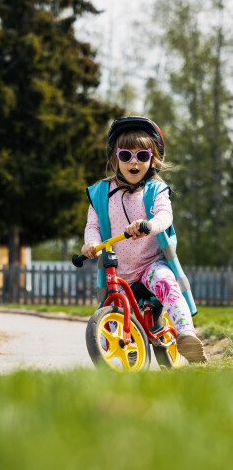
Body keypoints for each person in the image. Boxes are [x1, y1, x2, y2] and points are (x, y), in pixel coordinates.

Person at [82, 116, 207, 363]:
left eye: (142, 155)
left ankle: (186, 335)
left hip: (150, 264)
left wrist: (148, 226)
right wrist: (91, 244)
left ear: (153, 160)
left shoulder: (156, 190)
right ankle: (127, 355)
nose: (134, 162)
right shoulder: (100, 194)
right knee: (109, 320)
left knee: (167, 284)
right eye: (126, 155)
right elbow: (93, 225)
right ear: (115, 158)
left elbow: (165, 217)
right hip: (118, 270)